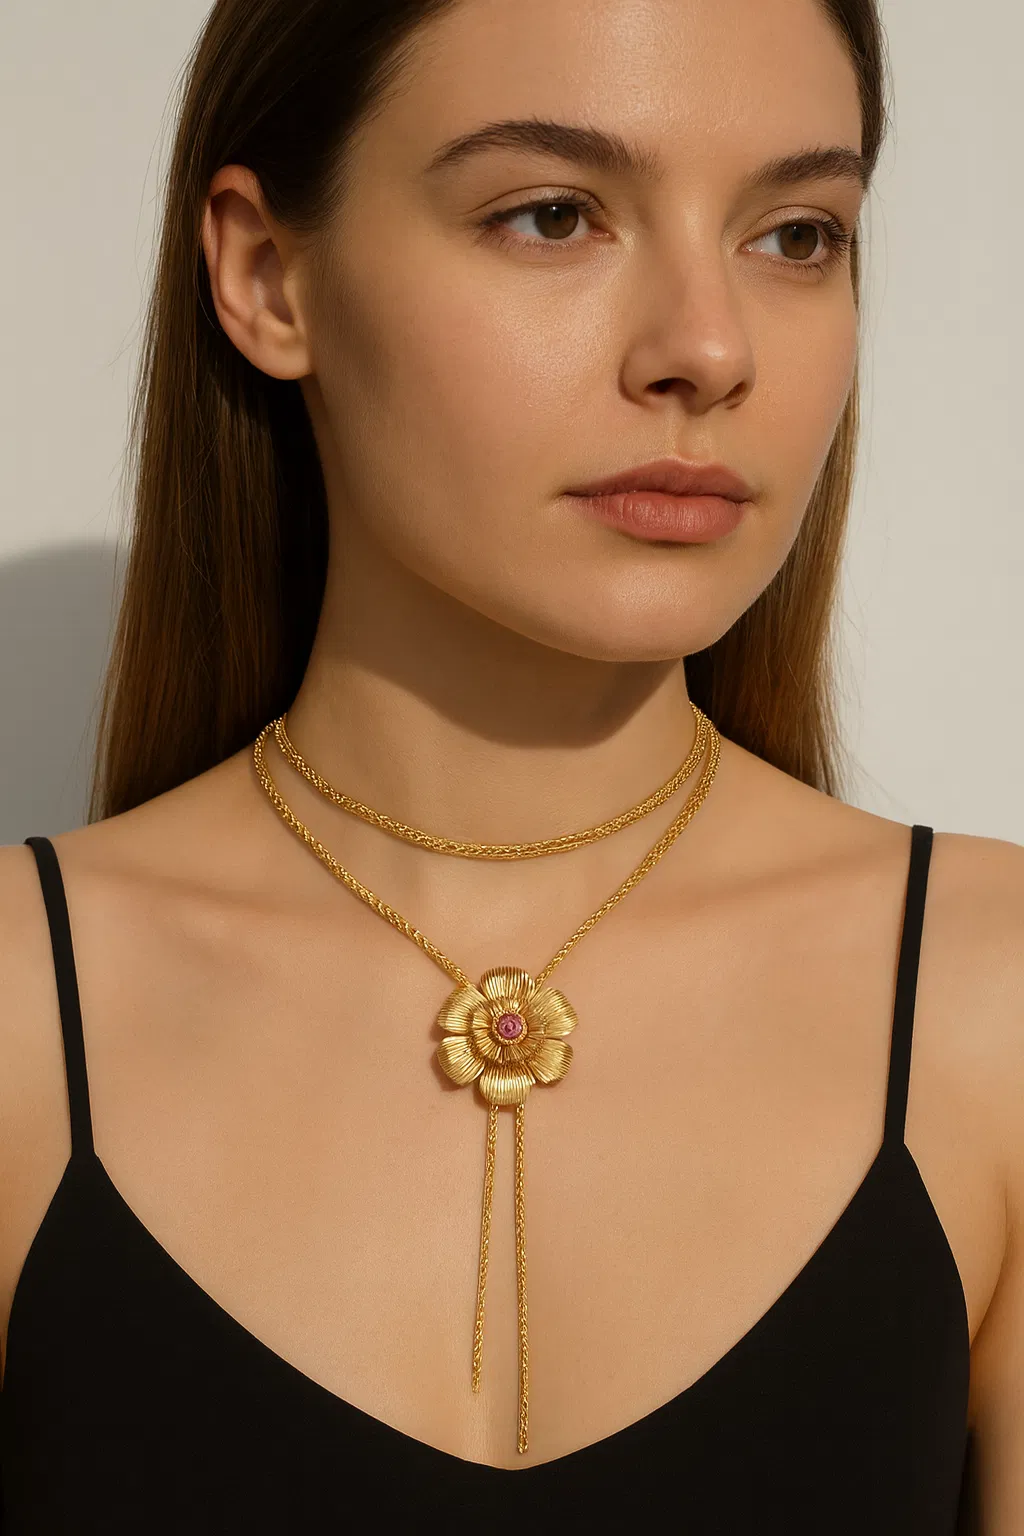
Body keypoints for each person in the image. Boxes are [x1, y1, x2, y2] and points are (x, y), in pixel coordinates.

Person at [0, 0, 1019, 1528]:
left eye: (796, 234)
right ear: (267, 275)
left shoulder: (997, 1005)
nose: (710, 348)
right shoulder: (20, 1015)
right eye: (553, 214)